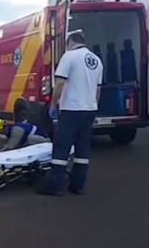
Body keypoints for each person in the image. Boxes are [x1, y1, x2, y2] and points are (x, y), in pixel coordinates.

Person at [41, 31, 103, 196]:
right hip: (89, 110)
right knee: (83, 149)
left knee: (61, 147)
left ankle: (54, 186)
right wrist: (93, 105)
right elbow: (98, 90)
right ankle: (78, 185)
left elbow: (60, 83)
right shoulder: (96, 61)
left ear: (70, 42)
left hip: (71, 110)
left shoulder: (69, 56)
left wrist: (53, 104)